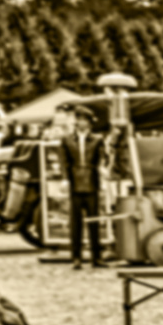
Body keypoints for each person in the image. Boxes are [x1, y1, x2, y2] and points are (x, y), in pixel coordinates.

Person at [59, 110, 106, 269]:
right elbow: (64, 161)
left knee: (94, 222)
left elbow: (101, 160)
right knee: (76, 223)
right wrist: (65, 179)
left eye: (86, 120)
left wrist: (103, 174)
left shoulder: (97, 139)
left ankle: (96, 257)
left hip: (92, 183)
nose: (83, 123)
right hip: (75, 184)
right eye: (80, 120)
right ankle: (76, 257)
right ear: (76, 122)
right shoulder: (66, 140)